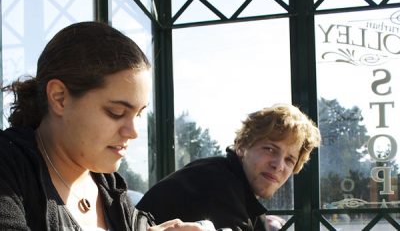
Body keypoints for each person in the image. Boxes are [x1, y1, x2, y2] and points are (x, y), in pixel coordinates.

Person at [0, 21, 207, 231]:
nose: (133, 132)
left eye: (139, 114)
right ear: (59, 98)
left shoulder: (111, 189)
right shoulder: (9, 169)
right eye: (116, 112)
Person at [137, 104, 321, 231]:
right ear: (241, 146)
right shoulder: (213, 183)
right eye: (270, 149)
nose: (279, 165)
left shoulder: (238, 190)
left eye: (290, 160)